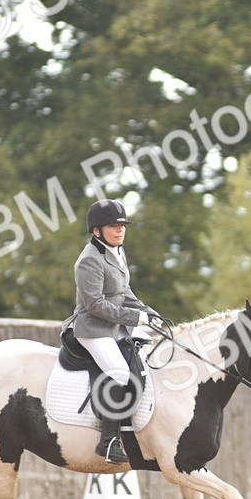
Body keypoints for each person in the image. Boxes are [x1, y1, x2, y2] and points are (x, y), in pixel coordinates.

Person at [64, 199, 162, 464]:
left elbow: (123, 292)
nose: (120, 230)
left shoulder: (118, 251)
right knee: (120, 374)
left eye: (122, 225)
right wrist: (135, 317)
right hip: (93, 329)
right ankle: (107, 443)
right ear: (96, 231)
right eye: (112, 226)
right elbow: (95, 304)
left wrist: (149, 312)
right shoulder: (88, 260)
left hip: (115, 326)